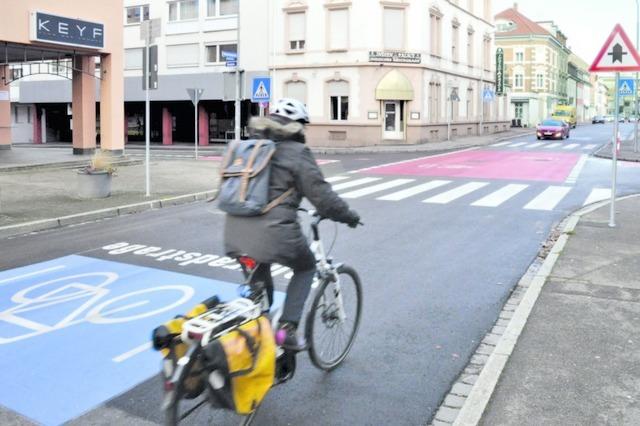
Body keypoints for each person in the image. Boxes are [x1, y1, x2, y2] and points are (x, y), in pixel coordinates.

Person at [224, 98, 360, 351]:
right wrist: (349, 216)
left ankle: (256, 341)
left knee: (259, 294)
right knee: (306, 267)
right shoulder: (297, 153)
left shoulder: (248, 147)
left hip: (234, 231)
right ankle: (287, 329)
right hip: (274, 234)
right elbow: (322, 196)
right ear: (298, 126)